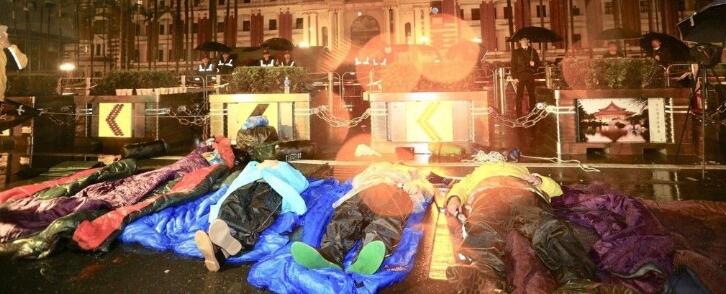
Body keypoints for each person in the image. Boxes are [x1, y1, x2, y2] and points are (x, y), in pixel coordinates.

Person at [445, 162, 595, 291]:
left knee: (547, 228)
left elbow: (557, 191)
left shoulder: (524, 171)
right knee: (484, 225)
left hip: (525, 193)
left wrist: (540, 181)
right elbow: (460, 188)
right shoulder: (474, 175)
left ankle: (576, 280)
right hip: (488, 195)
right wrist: (454, 197)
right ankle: (484, 273)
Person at [291, 162, 433, 275]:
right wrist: (377, 180)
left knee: (387, 218)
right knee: (348, 213)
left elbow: (427, 191)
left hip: (398, 193)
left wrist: (414, 186)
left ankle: (369, 254)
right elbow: (358, 180)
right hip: (371, 191)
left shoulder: (414, 174)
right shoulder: (380, 166)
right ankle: (330, 253)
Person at [195, 160, 309, 272]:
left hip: (272, 188)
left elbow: (300, 183)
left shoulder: (287, 169)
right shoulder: (257, 168)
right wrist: (259, 166)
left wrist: (278, 166)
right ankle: (222, 247)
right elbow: (247, 171)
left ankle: (225, 246)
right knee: (232, 201)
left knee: (257, 209)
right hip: (251, 183)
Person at [510, 37, 541, 117]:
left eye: (525, 40)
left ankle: (533, 113)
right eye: (522, 40)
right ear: (520, 41)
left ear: (528, 41)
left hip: (530, 75)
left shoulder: (533, 51)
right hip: (520, 76)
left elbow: (538, 63)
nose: (524, 41)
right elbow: (513, 65)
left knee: (532, 95)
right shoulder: (516, 52)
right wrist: (514, 77)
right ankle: (519, 114)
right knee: (519, 96)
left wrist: (534, 64)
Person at [0, 25, 28, 101]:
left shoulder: (3, 52)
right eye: (3, 33)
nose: (6, 35)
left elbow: (21, 64)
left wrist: (8, 45)